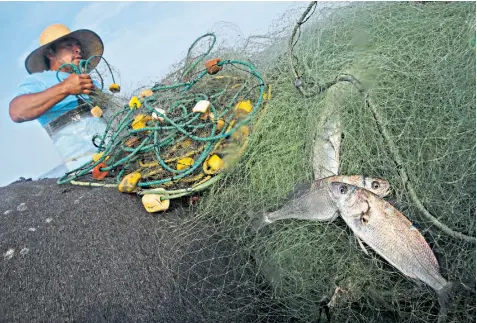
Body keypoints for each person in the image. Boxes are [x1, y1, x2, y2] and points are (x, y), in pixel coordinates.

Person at [9, 24, 108, 172]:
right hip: (84, 166)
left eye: (78, 46)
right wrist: (65, 88)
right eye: (68, 45)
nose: (77, 49)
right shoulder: (40, 80)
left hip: (118, 153)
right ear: (50, 53)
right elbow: (17, 111)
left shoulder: (92, 82)